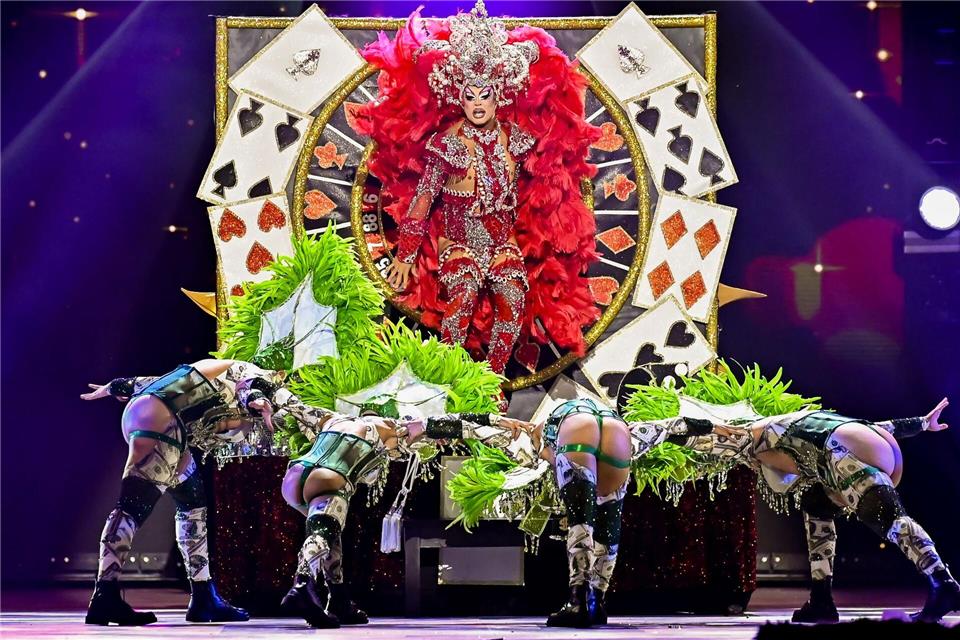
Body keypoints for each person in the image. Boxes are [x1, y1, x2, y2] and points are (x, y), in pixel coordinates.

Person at [360, 0, 602, 376]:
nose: (476, 104)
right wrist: (406, 256)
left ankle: (490, 382)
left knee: (512, 298)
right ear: (458, 96)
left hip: (503, 243)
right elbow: (423, 199)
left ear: (498, 95)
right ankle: (454, 378)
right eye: (469, 95)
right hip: (458, 242)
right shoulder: (446, 144)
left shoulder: (517, 140)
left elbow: (547, 186)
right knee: (464, 294)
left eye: (484, 95)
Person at [667, 398, 959, 624]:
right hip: (871, 444)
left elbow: (714, 436)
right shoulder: (799, 423)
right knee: (817, 503)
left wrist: (664, 431)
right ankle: (821, 600)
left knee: (890, 520)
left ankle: (943, 581)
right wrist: (922, 423)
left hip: (843, 451)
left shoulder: (757, 433)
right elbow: (881, 427)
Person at [81, 359, 279, 625]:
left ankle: (203, 596)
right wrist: (259, 399)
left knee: (193, 504)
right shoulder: (245, 370)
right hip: (161, 420)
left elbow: (150, 382)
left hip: (151, 415)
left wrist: (113, 386)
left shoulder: (211, 371)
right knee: (131, 507)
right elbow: (252, 386)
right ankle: (105, 595)